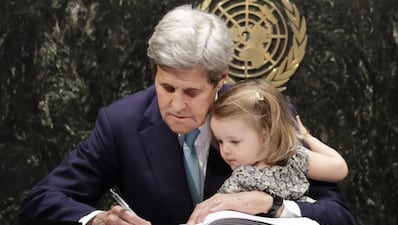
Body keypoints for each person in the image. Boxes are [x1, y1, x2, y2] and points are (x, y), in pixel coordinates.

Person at [19, 4, 356, 225]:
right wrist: (96, 219)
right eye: (167, 88)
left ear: (220, 80)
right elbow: (41, 200)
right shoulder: (121, 122)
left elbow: (339, 216)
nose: (176, 105)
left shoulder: (262, 113)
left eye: (192, 92)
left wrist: (274, 206)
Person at [212, 79, 348, 200]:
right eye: (220, 141)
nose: (225, 150)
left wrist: (308, 138)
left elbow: (339, 169)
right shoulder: (238, 179)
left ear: (265, 136)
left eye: (234, 142)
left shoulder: (294, 157)